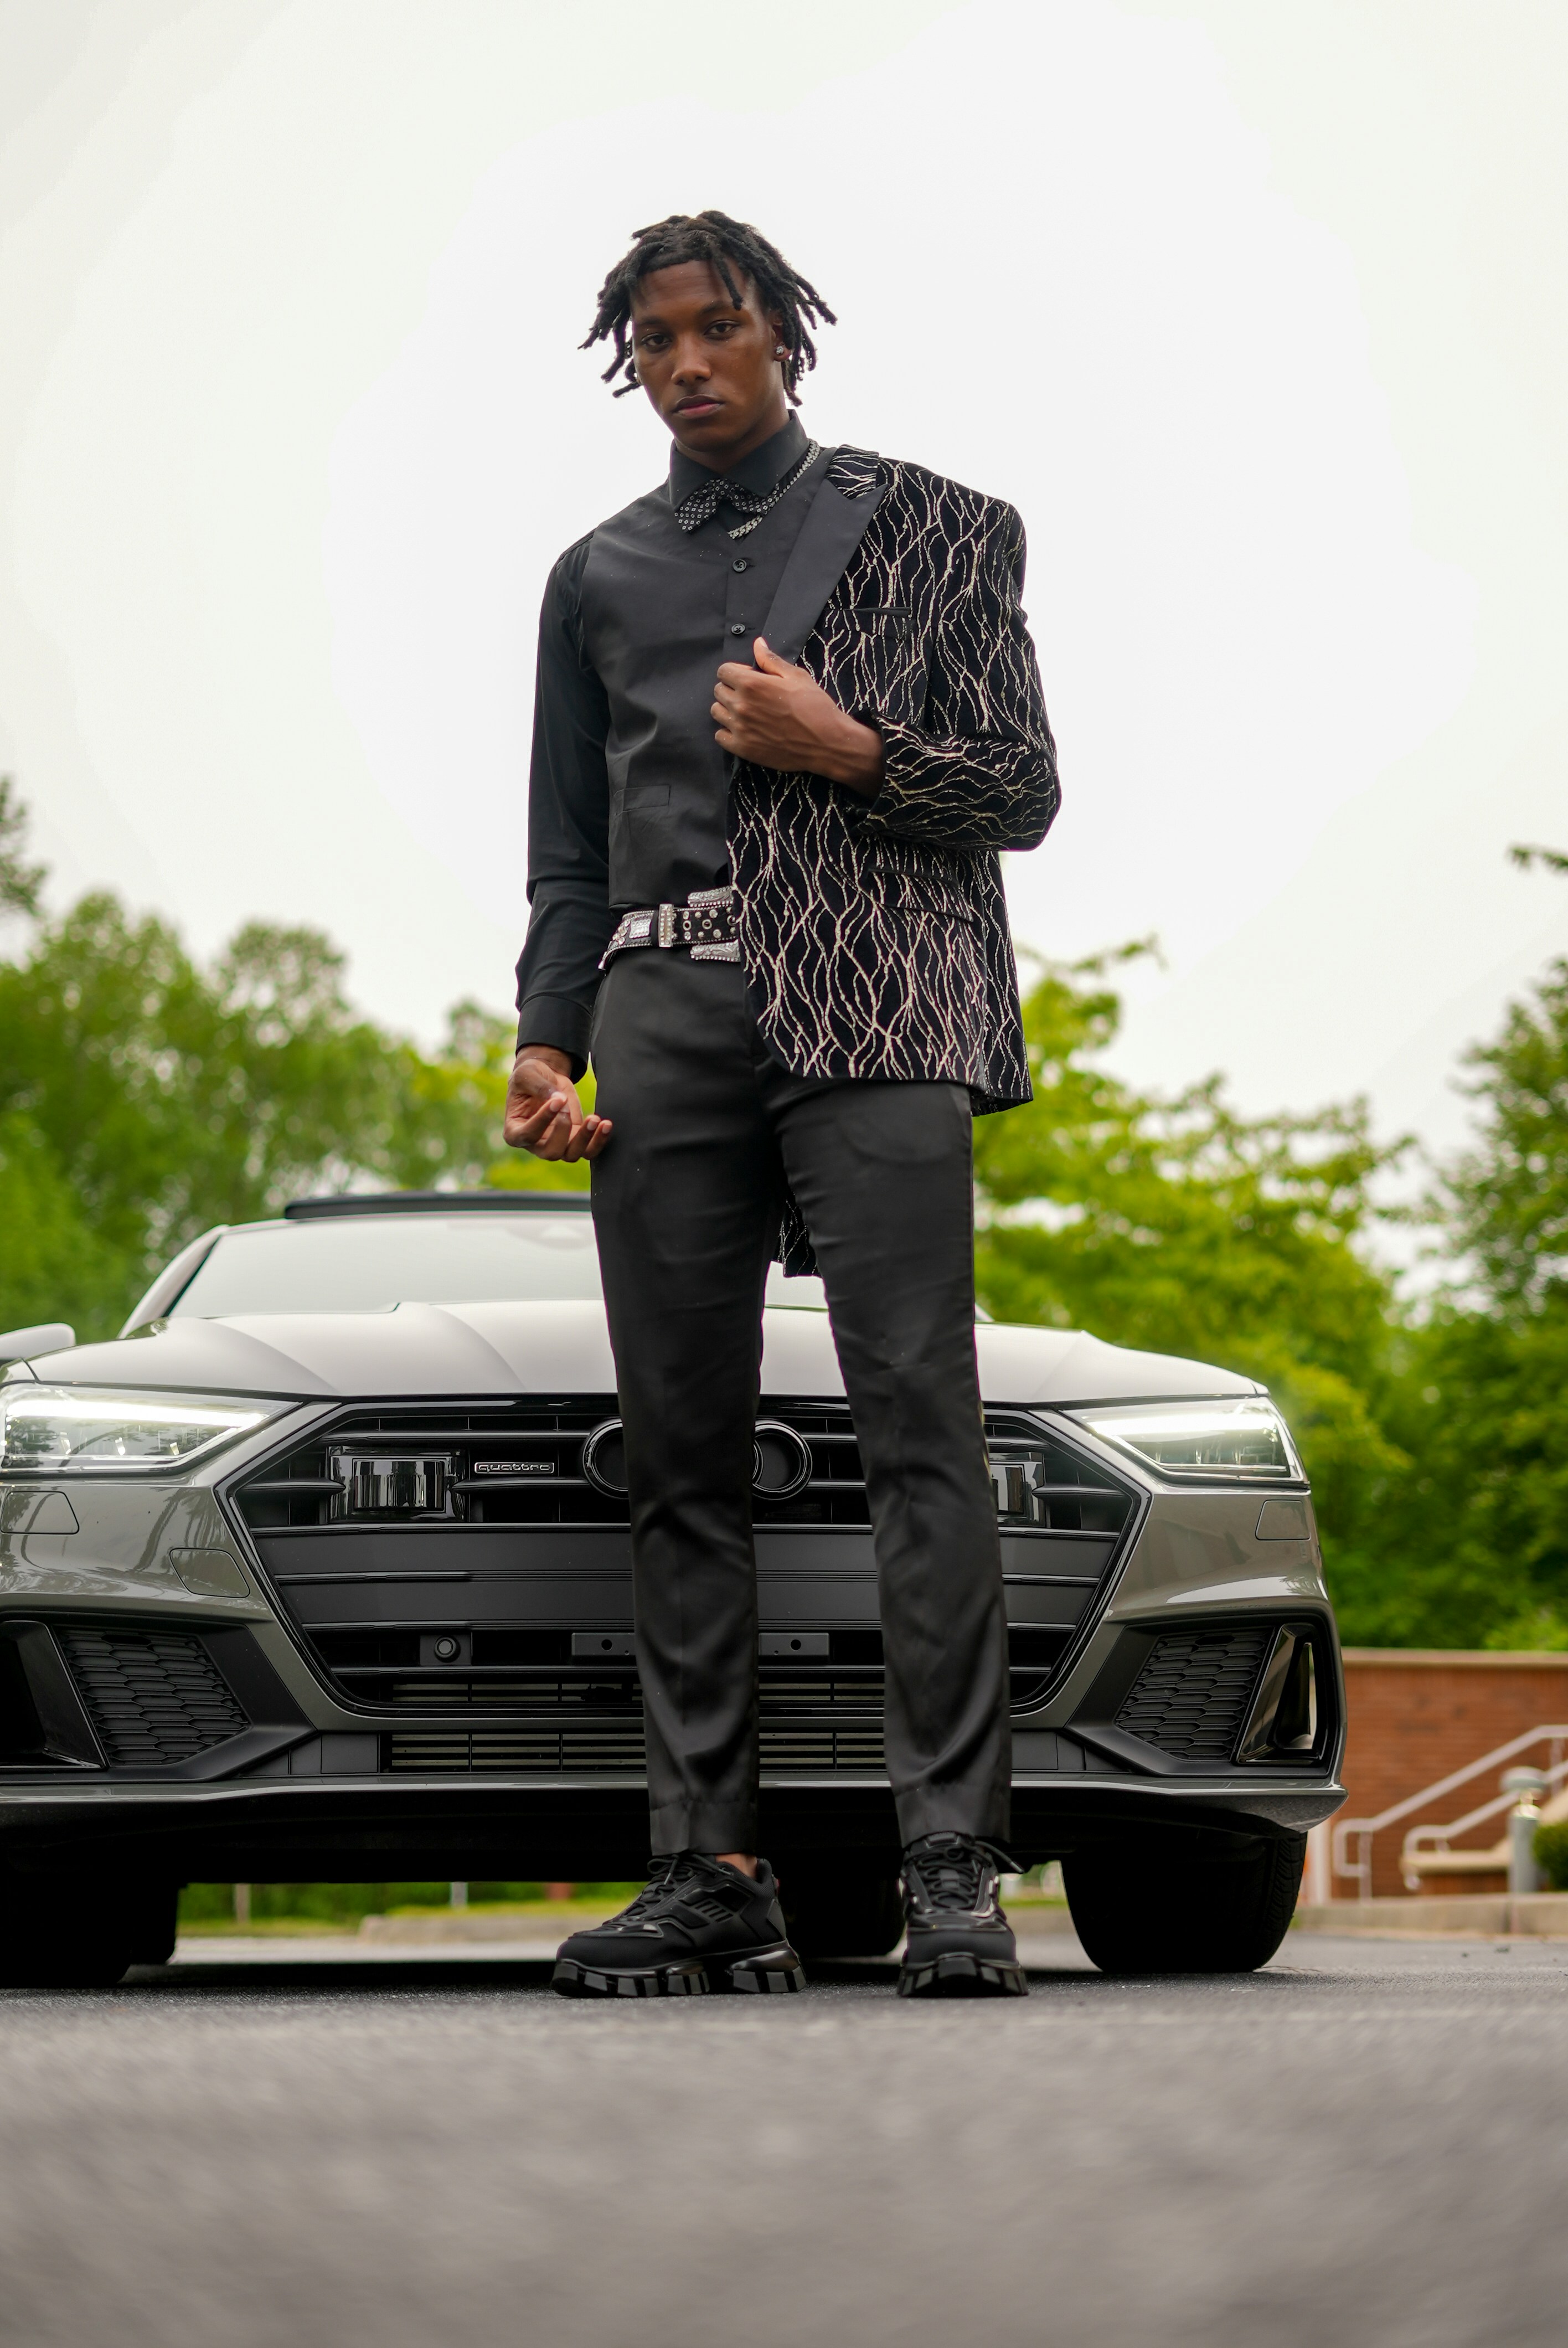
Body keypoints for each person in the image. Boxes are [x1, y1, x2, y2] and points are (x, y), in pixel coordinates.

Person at [506, 210, 1059, 1999]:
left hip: (877, 1004)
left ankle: (955, 1867)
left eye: (716, 330)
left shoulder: (936, 528)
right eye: (654, 341)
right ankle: (710, 1867)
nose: (685, 364)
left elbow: (1024, 788)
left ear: (782, 340)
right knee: (678, 1454)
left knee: (920, 1426)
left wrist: (851, 751)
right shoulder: (595, 578)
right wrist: (547, 1039)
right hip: (662, 1017)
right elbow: (568, 857)